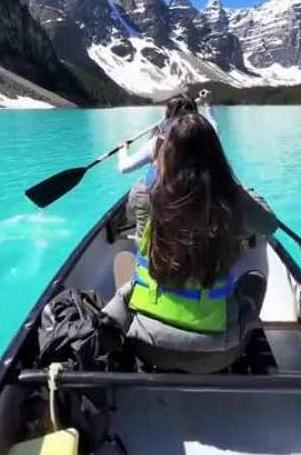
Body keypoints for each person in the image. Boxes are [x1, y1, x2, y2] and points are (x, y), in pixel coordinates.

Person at [105, 113, 278, 373]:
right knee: (254, 277)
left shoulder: (142, 193)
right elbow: (269, 226)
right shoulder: (231, 200)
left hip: (146, 345)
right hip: (219, 353)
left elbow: (131, 215)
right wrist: (239, 190)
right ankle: (247, 343)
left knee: (135, 281)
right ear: (216, 157)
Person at [118, 93, 217, 238]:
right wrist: (208, 106)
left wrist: (123, 150)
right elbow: (213, 124)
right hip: (195, 197)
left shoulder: (158, 141)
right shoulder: (207, 136)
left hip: (158, 199)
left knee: (149, 236)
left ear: (168, 114)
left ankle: (147, 257)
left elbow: (124, 168)